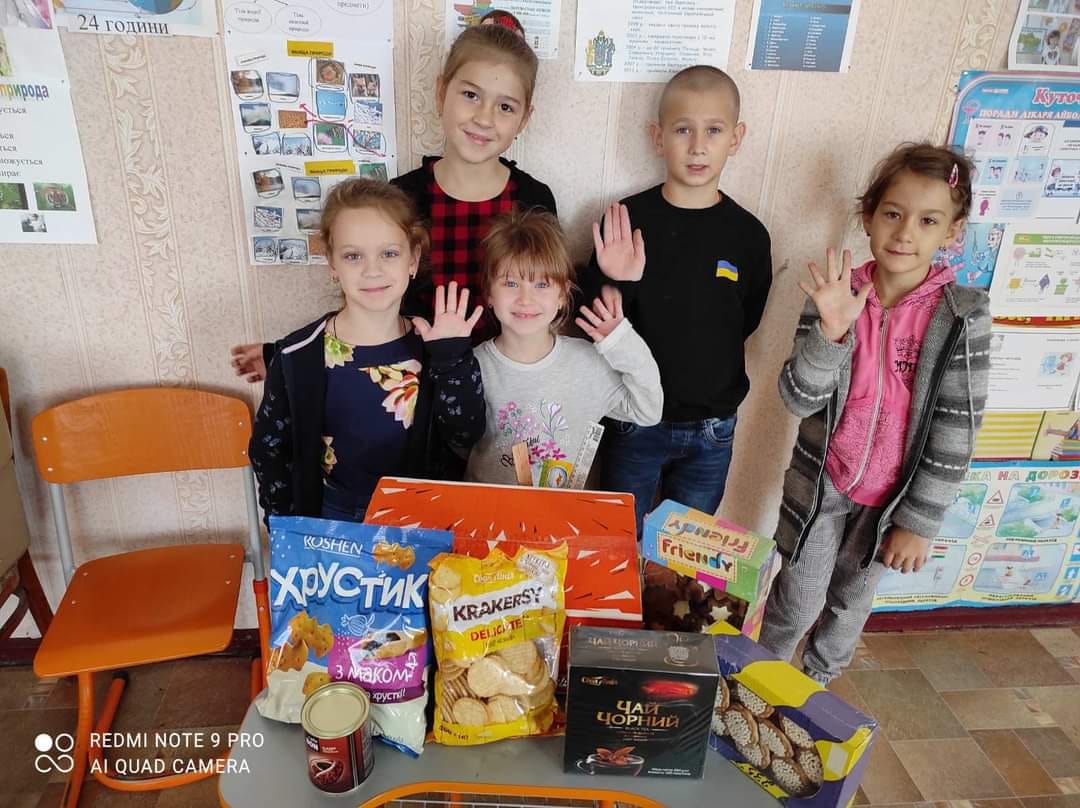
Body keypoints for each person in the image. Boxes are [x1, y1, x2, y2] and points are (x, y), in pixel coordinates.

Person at [758, 143, 991, 685]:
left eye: (928, 220)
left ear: (952, 232)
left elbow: (958, 431)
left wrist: (918, 521)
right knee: (796, 601)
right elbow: (797, 398)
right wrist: (831, 332)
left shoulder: (963, 317)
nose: (906, 232)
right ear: (868, 217)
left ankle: (813, 697)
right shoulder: (834, 295)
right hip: (822, 490)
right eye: (892, 213)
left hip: (891, 504)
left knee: (847, 609)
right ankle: (756, 689)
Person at [232, 20, 555, 382]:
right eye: (470, 95)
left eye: (505, 107)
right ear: (441, 93)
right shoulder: (400, 198)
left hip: (507, 387)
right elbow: (366, 298)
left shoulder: (534, 201)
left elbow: (547, 302)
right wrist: (284, 355)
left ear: (524, 119)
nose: (484, 118)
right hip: (413, 387)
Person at [578, 65, 772, 534]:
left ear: (736, 138)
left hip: (713, 427)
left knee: (684, 554)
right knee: (617, 542)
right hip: (634, 420)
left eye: (714, 130)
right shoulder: (627, 220)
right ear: (658, 137)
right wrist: (619, 279)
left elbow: (745, 319)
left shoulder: (748, 235)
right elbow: (596, 321)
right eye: (683, 129)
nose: (698, 146)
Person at [249, 179, 486, 522]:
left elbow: (466, 434)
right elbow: (269, 451)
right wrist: (288, 530)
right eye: (353, 256)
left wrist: (452, 359)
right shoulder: (297, 355)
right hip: (331, 522)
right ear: (332, 264)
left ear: (413, 259)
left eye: (389, 253)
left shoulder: (434, 347)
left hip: (423, 521)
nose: (372, 270)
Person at [465, 208, 662, 486]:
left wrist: (621, 341)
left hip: (564, 510)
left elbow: (649, 410)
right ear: (488, 293)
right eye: (510, 283)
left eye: (541, 284)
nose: (525, 299)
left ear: (562, 295)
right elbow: (458, 441)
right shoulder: (473, 366)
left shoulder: (588, 363)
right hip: (487, 508)